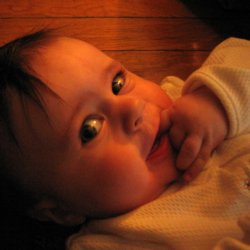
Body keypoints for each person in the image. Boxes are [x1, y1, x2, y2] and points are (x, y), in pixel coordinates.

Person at [0, 30, 249, 249]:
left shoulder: (188, 98)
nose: (133, 108)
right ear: (62, 211)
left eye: (117, 83)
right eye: (90, 129)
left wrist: (217, 99)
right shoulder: (120, 240)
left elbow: (242, 52)